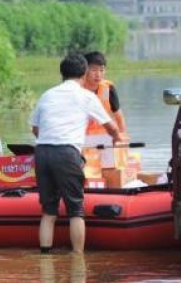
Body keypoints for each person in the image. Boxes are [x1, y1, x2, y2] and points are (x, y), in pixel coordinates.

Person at [29, 53, 122, 254]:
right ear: (84, 73)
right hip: (66, 153)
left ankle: (45, 256)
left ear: (62, 73)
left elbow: (35, 129)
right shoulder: (86, 97)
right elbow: (112, 127)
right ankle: (78, 258)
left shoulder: (47, 95)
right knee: (76, 210)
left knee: (48, 211)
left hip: (42, 152)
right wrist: (116, 138)